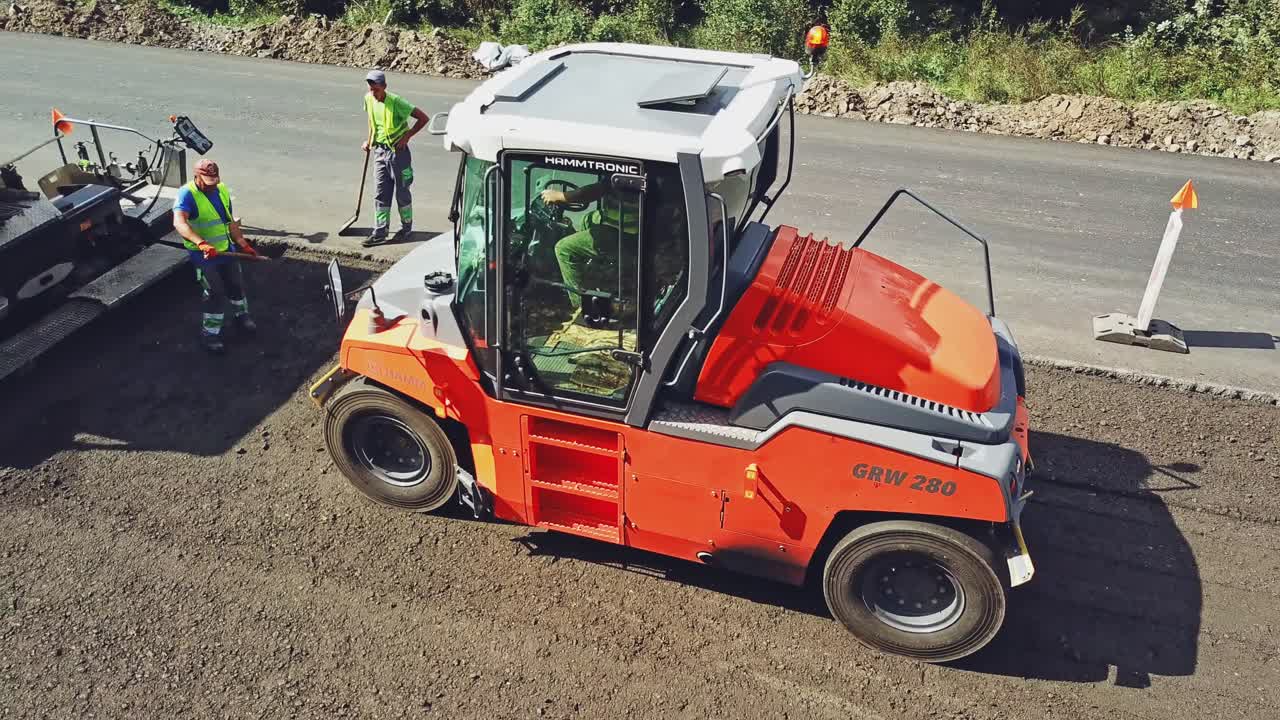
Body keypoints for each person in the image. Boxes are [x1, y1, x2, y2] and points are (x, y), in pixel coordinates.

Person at [172, 158, 260, 354]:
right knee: (215, 293)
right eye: (208, 183)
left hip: (225, 250)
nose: (212, 187)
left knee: (236, 285)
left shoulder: (221, 189)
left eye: (214, 182)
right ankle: (210, 334)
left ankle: (241, 317)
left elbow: (230, 222)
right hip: (203, 257)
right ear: (197, 177)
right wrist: (201, 243)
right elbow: (180, 223)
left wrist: (244, 245)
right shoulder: (187, 194)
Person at [540, 181, 641, 309]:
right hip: (629, 223)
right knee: (587, 218)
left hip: (623, 233)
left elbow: (592, 191)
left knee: (563, 249)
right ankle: (591, 270)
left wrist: (561, 196)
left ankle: (582, 306)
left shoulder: (621, 175)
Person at [361, 69, 430, 247]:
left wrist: (407, 136)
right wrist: (369, 141)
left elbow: (423, 118)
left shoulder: (397, 102)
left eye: (376, 89)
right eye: (370, 89)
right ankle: (380, 231)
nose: (373, 93)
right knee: (380, 194)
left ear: (384, 87)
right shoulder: (368, 99)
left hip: (399, 154)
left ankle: (406, 229)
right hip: (379, 153)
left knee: (402, 193)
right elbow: (371, 121)